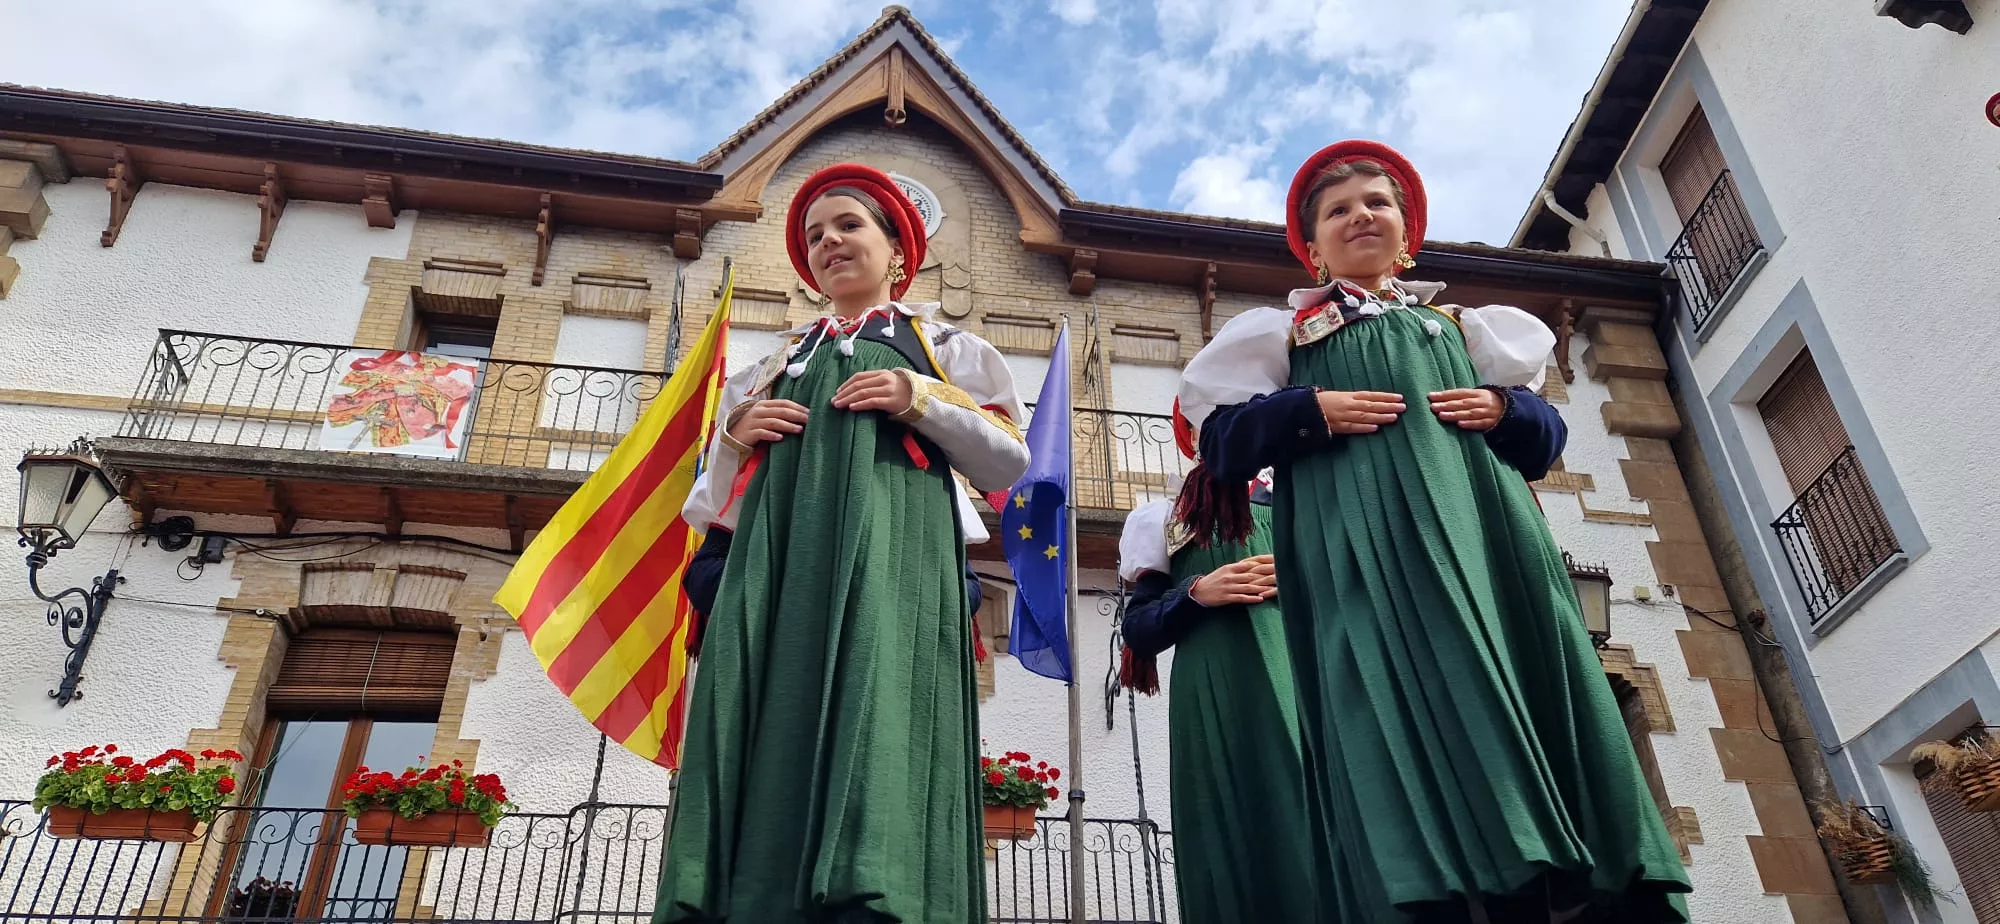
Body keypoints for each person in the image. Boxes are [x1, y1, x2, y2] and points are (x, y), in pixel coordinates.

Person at [1176, 141, 1692, 923]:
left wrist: (1505, 410)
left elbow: (1545, 441)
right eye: (1338, 209)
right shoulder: (1282, 336)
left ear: (1406, 229)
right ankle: (1434, 888)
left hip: (1485, 534)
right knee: (1383, 692)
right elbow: (1221, 443)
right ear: (1312, 247)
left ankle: (1570, 876)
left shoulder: (1467, 326)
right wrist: (1306, 411)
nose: (1361, 215)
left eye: (1377, 202)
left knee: (1514, 664)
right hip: (1360, 547)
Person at [655, 163, 1029, 923]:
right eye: (813, 236)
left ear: (897, 249)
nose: (827, 243)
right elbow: (708, 506)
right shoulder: (769, 367)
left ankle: (874, 884)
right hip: (780, 563)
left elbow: (1008, 459)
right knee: (767, 708)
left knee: (879, 690)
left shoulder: (945, 347)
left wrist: (917, 396)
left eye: (848, 226)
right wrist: (734, 435)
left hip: (896, 561)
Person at [1116, 465, 1317, 924]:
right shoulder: (1168, 516)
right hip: (1212, 695)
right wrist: (1196, 593)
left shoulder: (1306, 493)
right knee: (1222, 827)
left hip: (1304, 683)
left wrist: (1302, 579)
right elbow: (1139, 629)